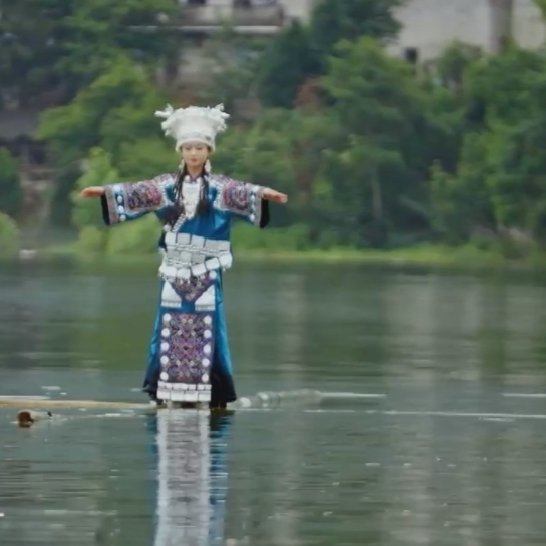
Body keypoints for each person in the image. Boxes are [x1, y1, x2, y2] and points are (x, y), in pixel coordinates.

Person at [80, 104, 288, 408]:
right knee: (169, 323)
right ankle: (165, 390)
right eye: (189, 148)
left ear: (208, 151)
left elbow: (246, 192)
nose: (194, 153)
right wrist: (105, 191)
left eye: (199, 148)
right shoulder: (166, 186)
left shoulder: (220, 188)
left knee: (208, 323)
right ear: (181, 151)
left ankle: (211, 391)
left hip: (207, 267)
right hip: (175, 267)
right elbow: (138, 192)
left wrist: (264, 194)